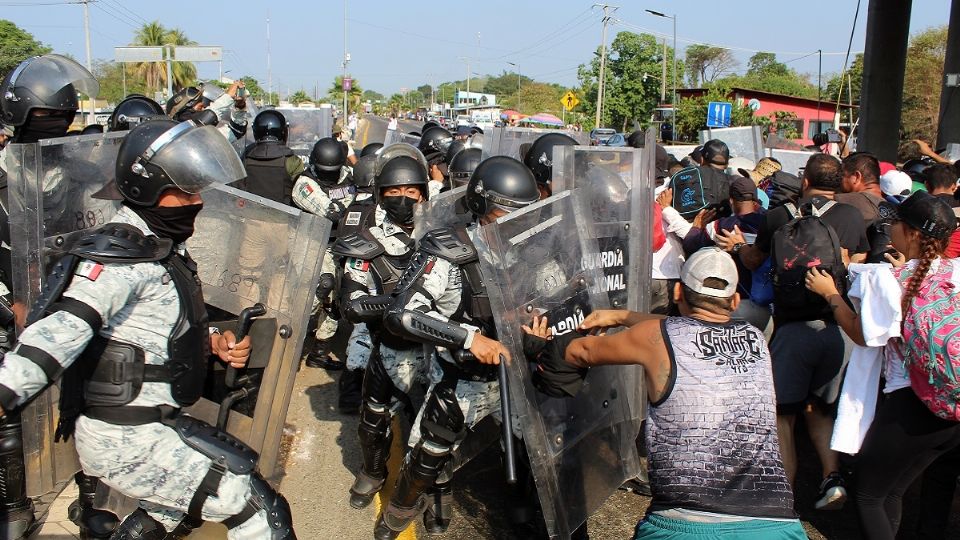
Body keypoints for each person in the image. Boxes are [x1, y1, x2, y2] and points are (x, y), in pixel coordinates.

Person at [0, 118, 296, 539]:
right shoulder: (119, 258)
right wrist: (7, 389)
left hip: (152, 425)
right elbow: (59, 331)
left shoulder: (159, 247)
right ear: (147, 190)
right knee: (258, 510)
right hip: (127, 437)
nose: (197, 202)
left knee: (167, 517)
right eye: (185, 191)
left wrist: (212, 343)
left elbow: (147, 331)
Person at [541, 247, 804, 539]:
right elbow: (683, 329)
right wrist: (621, 316)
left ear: (678, 291)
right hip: (776, 523)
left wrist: (539, 342)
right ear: (735, 300)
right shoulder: (756, 338)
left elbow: (582, 351)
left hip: (689, 524)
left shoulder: (656, 338)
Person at [374, 156, 540, 539]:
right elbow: (402, 313)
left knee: (532, 449)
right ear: (481, 207)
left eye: (522, 215)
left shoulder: (528, 246)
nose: (513, 224)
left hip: (516, 371)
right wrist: (470, 338)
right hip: (463, 376)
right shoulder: (448, 251)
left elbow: (552, 293)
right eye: (503, 214)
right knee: (428, 455)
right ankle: (396, 516)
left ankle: (522, 507)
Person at [716, 153, 869, 510]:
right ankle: (831, 479)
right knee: (818, 408)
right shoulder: (852, 216)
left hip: (792, 329)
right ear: (839, 182)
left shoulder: (779, 215)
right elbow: (859, 261)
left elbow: (754, 260)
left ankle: (782, 495)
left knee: (784, 413)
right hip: (838, 328)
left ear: (804, 182)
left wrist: (737, 246)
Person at [805, 190, 960, 540]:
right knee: (890, 490)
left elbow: (864, 335)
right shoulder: (954, 270)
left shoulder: (889, 280)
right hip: (951, 409)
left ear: (911, 234)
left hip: (913, 404)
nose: (890, 228)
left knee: (867, 493)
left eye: (896, 223)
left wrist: (830, 294)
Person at [0, 53, 98, 538]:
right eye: (43, 118)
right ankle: (17, 507)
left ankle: (89, 492)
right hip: (9, 302)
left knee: (83, 397)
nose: (53, 127)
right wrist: (14, 301)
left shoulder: (75, 168)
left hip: (69, 297)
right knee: (10, 414)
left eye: (62, 117)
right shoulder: (2, 172)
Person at [332, 151, 434, 511]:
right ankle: (373, 472)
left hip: (435, 347)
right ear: (380, 194)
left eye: (412, 190)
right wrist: (394, 309)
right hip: (386, 343)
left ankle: (434, 487)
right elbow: (353, 301)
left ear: (424, 192)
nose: (404, 197)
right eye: (394, 191)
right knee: (373, 420)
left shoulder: (441, 233)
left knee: (434, 427)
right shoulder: (366, 241)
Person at [292, 137, 356, 370]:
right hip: (314, 245)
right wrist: (355, 205)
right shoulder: (304, 183)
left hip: (343, 246)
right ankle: (292, 346)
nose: (328, 175)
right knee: (319, 290)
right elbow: (333, 212)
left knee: (338, 300)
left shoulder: (348, 176)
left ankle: (319, 353)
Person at [683, 176, 769, 332]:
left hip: (732, 304)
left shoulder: (720, 226)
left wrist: (696, 226)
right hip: (766, 306)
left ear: (731, 201)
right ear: (755, 200)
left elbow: (690, 244)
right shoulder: (769, 223)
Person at [234, 110, 304, 206]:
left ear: (256, 131)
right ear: (284, 132)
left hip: (250, 216)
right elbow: (301, 194)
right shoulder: (292, 161)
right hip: (283, 218)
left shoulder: (246, 157)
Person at [836, 152, 885, 226]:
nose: (839, 179)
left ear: (857, 177)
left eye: (843, 175)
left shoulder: (841, 201)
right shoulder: (891, 210)